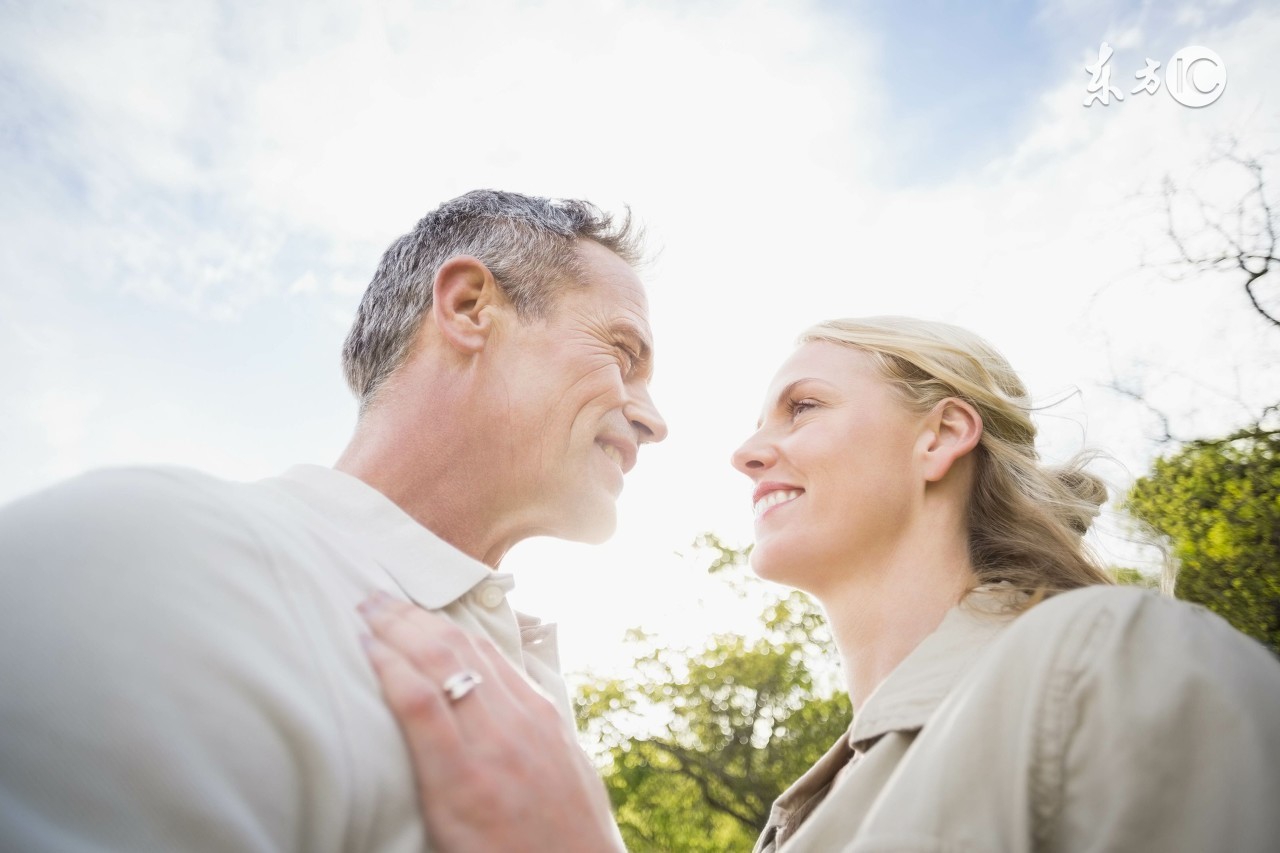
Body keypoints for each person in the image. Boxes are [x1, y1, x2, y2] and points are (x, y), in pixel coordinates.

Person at [360, 316, 1280, 852]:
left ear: (940, 436)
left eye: (803, 407)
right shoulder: (804, 820)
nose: (747, 449)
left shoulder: (1107, 661)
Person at [0, 190, 666, 851]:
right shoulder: (143, 561)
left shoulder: (537, 693)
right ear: (469, 307)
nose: (654, 419)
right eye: (623, 354)